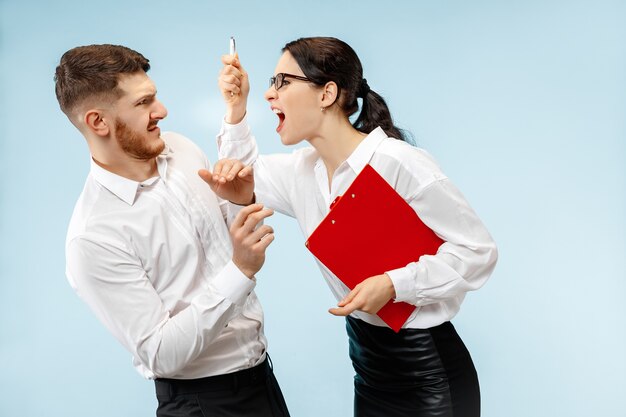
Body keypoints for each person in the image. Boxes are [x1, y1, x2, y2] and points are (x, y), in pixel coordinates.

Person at [206, 37, 498, 417]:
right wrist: (235, 110)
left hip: (429, 374)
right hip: (369, 368)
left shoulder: (398, 162)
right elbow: (239, 180)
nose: (268, 94)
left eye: (282, 82)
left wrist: (394, 284)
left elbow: (478, 251)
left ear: (327, 92)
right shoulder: (301, 172)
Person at [55, 44, 290, 417]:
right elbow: (162, 354)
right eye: (144, 103)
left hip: (262, 381)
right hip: (202, 405)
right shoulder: (93, 237)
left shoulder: (179, 149)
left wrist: (239, 199)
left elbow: (224, 238)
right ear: (97, 122)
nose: (161, 111)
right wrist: (241, 271)